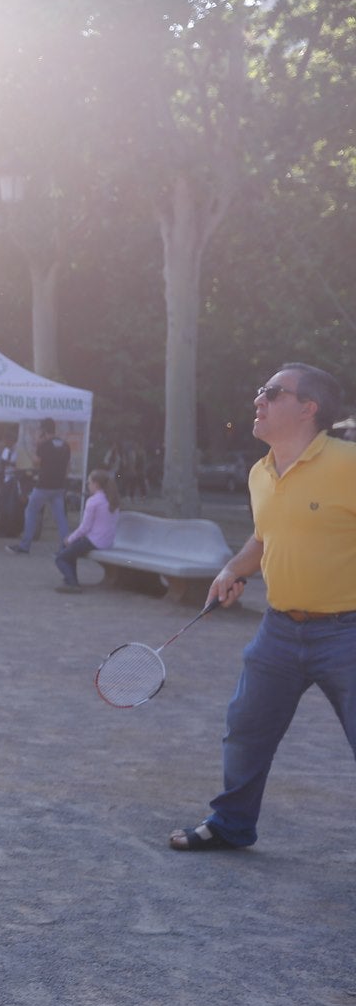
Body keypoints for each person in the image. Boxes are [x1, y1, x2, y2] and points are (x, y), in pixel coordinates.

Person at [169, 363, 356, 852]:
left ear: (308, 408)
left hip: (347, 633)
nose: (259, 400)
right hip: (278, 630)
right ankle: (231, 825)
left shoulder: (348, 464)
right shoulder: (259, 473)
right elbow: (264, 536)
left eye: (272, 393)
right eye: (259, 392)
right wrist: (234, 570)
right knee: (246, 730)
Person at [7, 418, 72, 556]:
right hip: (59, 486)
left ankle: (25, 546)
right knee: (61, 518)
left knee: (31, 512)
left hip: (43, 485)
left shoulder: (44, 445)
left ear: (43, 430)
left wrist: (36, 445)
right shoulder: (65, 445)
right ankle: (66, 547)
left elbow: (36, 462)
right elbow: (68, 468)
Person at [53, 468, 120, 593]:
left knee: (60, 558)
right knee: (69, 550)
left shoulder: (93, 501)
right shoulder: (112, 500)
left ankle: (72, 582)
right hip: (107, 541)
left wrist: (70, 538)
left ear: (96, 484)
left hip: (94, 541)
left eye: (89, 483)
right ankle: (70, 580)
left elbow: (85, 528)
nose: (88, 486)